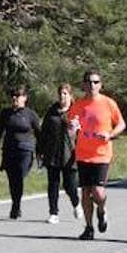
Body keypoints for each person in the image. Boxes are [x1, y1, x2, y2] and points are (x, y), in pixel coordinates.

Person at [69, 70, 127, 240]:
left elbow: (121, 124)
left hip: (102, 154)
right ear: (83, 85)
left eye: (95, 82)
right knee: (86, 192)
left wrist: (110, 135)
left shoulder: (108, 103)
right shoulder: (78, 105)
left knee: (98, 192)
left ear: (100, 85)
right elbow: (71, 130)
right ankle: (88, 227)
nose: (91, 85)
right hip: (83, 154)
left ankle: (101, 210)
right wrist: (72, 129)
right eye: (88, 82)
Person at [36, 83, 80, 224]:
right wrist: (40, 150)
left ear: (70, 95)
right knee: (53, 184)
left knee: (70, 186)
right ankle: (53, 213)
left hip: (70, 154)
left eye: (65, 93)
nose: (62, 96)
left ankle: (76, 203)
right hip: (52, 153)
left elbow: (83, 132)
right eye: (60, 93)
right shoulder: (52, 111)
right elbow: (44, 133)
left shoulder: (76, 110)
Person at [0, 86, 39, 220]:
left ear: (25, 98)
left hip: (25, 150)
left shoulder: (30, 114)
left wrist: (41, 152)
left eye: (18, 96)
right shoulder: (6, 113)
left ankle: (16, 204)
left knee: (19, 176)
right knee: (12, 180)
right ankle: (16, 205)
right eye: (13, 96)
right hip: (9, 150)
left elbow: (39, 134)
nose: (15, 98)